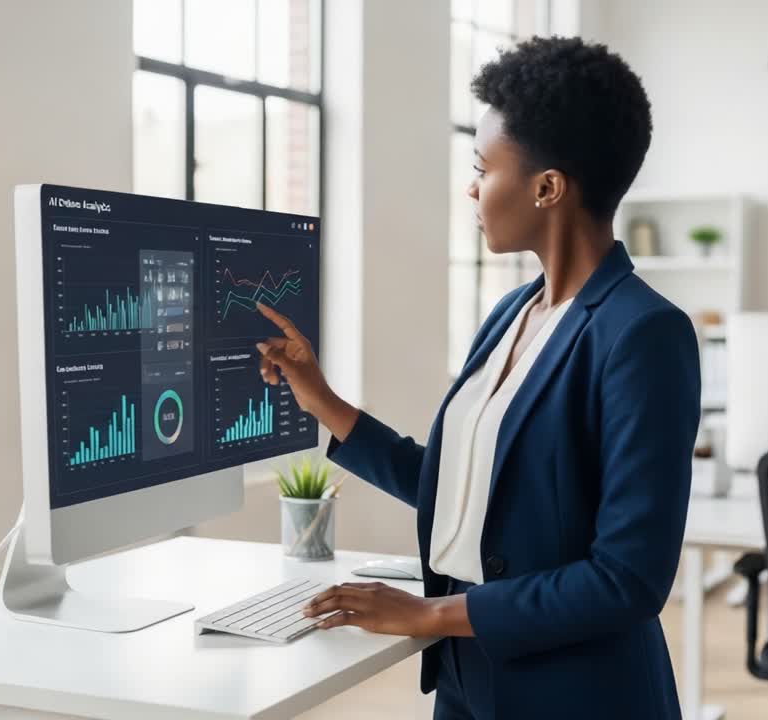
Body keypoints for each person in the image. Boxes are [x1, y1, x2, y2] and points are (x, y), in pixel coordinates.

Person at [254, 36, 700, 720]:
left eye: (483, 168)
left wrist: (432, 613)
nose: (471, 186)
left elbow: (628, 580)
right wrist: (321, 398)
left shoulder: (643, 334)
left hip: (578, 695)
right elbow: (464, 485)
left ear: (547, 187)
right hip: (470, 681)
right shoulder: (511, 313)